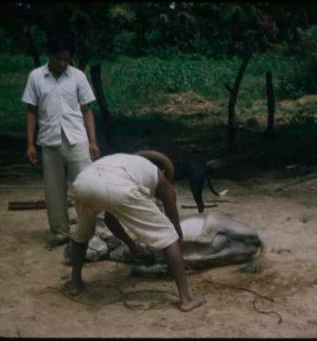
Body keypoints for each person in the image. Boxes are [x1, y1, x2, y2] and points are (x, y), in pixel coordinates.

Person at [62, 151, 206, 312]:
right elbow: (174, 227)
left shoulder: (126, 164)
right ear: (164, 171)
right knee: (168, 236)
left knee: (82, 234)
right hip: (116, 186)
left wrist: (132, 246)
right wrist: (180, 251)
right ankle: (187, 298)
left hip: (83, 183)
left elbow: (110, 220)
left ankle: (75, 283)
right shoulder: (159, 177)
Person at [22, 34, 101, 247]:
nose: (63, 63)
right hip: (49, 141)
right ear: (50, 56)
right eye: (59, 59)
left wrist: (92, 141)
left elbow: (87, 110)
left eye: (67, 59)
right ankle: (60, 234)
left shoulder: (77, 76)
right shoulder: (36, 77)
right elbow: (31, 111)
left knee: (86, 187)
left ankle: (90, 233)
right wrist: (30, 144)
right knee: (54, 191)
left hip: (77, 139)